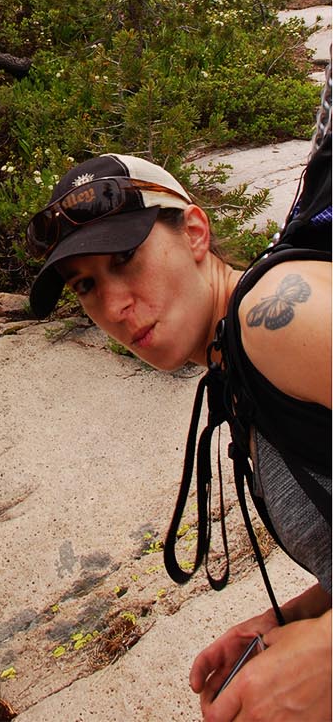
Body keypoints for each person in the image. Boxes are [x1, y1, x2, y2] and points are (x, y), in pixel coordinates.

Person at [25, 152, 327, 722]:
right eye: (86, 284)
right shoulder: (239, 364)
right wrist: (301, 619)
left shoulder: (275, 317)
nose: (113, 307)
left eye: (125, 259)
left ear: (194, 232)